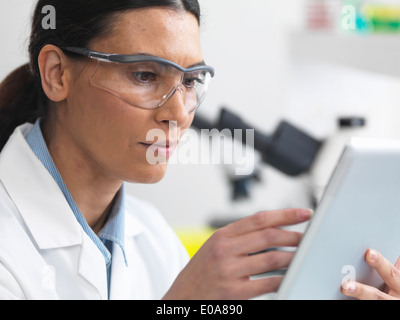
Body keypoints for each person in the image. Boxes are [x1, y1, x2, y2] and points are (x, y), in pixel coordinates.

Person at [0, 0, 396, 301]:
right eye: (144, 75)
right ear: (57, 74)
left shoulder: (152, 236)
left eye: (190, 81)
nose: (178, 113)